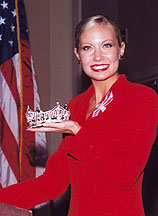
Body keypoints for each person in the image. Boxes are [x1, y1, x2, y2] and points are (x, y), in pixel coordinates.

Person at [0, 15, 157, 216]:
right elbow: (52, 183)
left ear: (121, 49)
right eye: (87, 48)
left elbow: (125, 174)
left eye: (106, 46)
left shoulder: (141, 97)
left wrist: (76, 130)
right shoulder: (76, 106)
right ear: (77, 54)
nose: (98, 57)